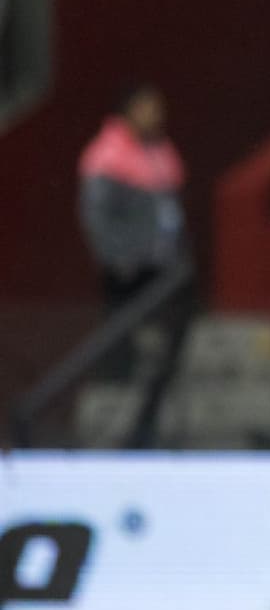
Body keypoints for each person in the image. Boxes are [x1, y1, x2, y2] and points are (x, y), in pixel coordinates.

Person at [78, 84, 194, 446]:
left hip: (164, 269)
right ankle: (116, 431)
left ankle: (151, 422)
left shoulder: (159, 151)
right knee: (126, 347)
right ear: (128, 110)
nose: (155, 115)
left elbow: (168, 211)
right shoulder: (107, 155)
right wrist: (119, 259)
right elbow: (96, 216)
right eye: (146, 107)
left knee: (166, 348)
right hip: (130, 272)